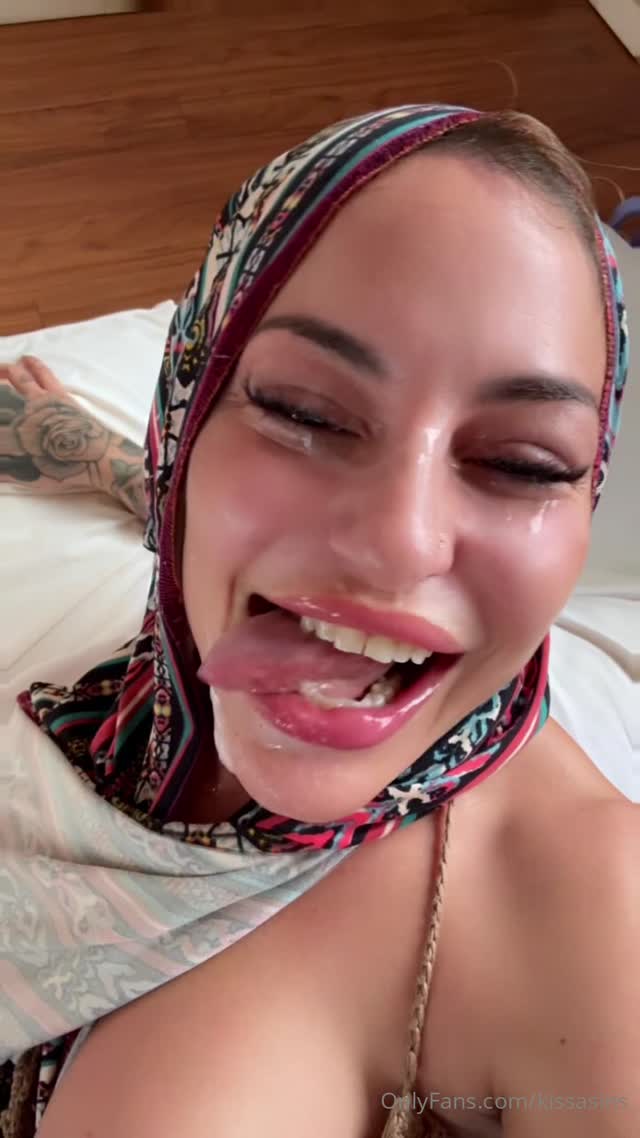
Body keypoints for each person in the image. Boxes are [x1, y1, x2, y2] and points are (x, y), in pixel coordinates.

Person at [0, 104, 636, 1138]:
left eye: (521, 464)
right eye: (304, 411)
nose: (398, 543)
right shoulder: (161, 663)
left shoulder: (596, 916)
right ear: (184, 421)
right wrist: (70, 440)